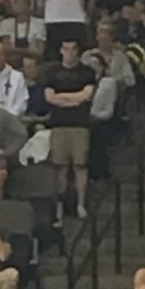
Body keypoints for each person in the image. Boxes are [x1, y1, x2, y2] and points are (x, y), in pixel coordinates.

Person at [44, 38, 96, 221]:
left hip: (80, 124)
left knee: (80, 166)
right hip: (59, 124)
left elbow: (86, 96)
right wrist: (74, 99)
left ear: (78, 51)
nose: (70, 52)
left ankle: (81, 204)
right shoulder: (52, 72)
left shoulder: (87, 72)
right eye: (66, 48)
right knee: (60, 167)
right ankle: (59, 207)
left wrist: (62, 97)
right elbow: (50, 98)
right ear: (61, 50)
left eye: (73, 48)